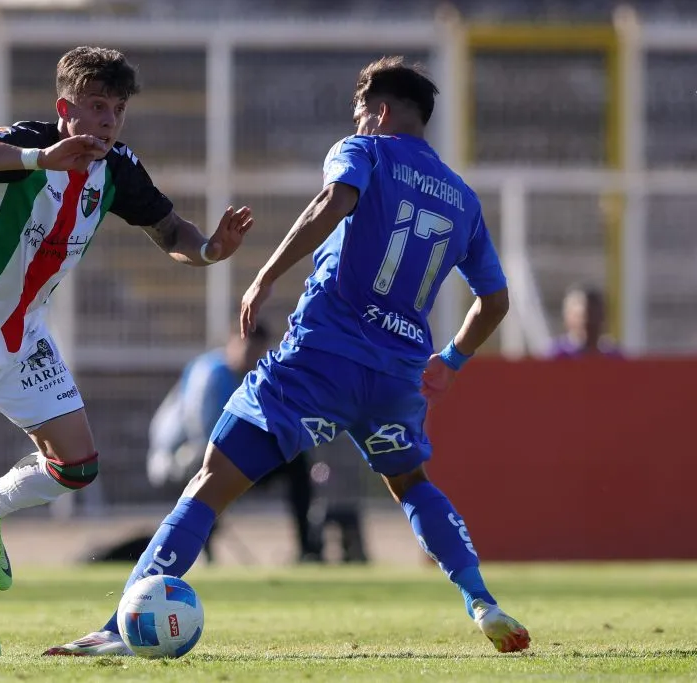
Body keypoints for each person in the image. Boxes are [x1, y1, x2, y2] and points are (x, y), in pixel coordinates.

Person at [46, 56, 530, 657]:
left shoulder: (365, 150)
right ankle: (481, 599)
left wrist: (265, 276)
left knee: (210, 482)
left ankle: (120, 629)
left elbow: (332, 202)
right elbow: (496, 300)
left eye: (361, 114)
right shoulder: (462, 198)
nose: (358, 122)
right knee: (410, 483)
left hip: (319, 359)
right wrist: (452, 360)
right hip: (399, 372)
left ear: (377, 111)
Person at [0, 46, 254, 656]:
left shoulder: (117, 167)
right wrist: (37, 157)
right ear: (66, 108)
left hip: (21, 334)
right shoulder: (29, 143)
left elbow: (169, 230)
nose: (109, 120)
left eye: (118, 109)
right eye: (97, 106)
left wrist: (208, 252)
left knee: (78, 466)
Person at [147, 322, 326, 563]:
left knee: (296, 462)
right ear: (233, 344)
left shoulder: (256, 375)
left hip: (231, 454)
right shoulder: (210, 374)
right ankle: (199, 551)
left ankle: (307, 549)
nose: (252, 356)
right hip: (181, 456)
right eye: (248, 349)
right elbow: (203, 434)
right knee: (210, 463)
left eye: (257, 351)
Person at [548, 284, 621, 358]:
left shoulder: (613, 356)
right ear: (567, 317)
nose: (588, 323)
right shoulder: (555, 355)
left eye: (595, 316)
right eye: (581, 317)